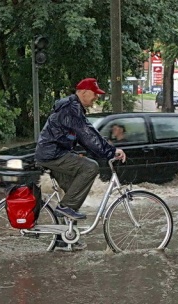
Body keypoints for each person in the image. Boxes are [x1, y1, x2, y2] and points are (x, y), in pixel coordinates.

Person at [35, 77, 127, 222]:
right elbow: (87, 135)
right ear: (84, 92)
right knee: (91, 167)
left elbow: (86, 135)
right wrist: (110, 151)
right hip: (53, 154)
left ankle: (65, 238)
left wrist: (103, 150)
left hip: (54, 153)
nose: (97, 97)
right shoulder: (71, 108)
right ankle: (65, 208)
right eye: (95, 93)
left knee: (74, 192)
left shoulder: (74, 108)